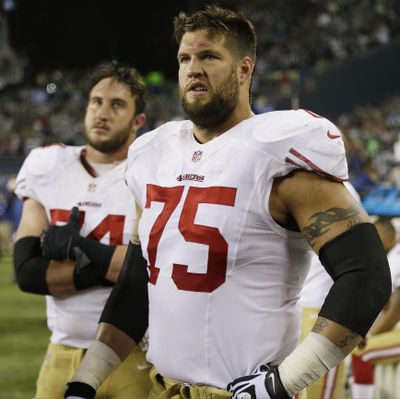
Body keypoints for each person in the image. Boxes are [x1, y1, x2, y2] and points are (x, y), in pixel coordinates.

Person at [64, 6, 392, 399]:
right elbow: (137, 284)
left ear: (244, 69)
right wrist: (86, 379)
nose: (193, 68)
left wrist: (284, 382)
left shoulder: (279, 152)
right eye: (185, 58)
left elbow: (367, 275)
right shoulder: (154, 153)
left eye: (209, 56)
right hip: (163, 389)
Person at [13, 61, 152, 399]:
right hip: (62, 352)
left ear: (138, 121)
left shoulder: (151, 172)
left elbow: (149, 274)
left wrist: (82, 250)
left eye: (117, 104)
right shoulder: (48, 165)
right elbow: (27, 272)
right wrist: (110, 268)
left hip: (134, 355)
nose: (102, 113)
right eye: (96, 102)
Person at [299, 181, 361, 399]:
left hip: (288, 308)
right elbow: (359, 265)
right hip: (322, 310)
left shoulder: (278, 180)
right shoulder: (337, 188)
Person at [351, 218, 400, 399]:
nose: (373, 240)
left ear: (390, 235)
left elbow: (396, 311)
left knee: (362, 352)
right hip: (393, 331)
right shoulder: (389, 256)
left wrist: (372, 334)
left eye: (378, 235)